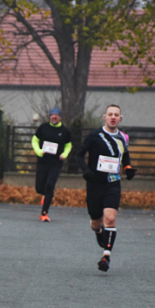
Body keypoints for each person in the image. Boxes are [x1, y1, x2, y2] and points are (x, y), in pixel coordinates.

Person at [74, 104, 136, 272]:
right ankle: (98, 231)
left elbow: (125, 156)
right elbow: (79, 155)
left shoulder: (123, 138)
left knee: (110, 218)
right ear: (105, 117)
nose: (113, 117)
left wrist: (128, 168)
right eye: (110, 114)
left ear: (120, 118)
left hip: (113, 183)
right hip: (94, 184)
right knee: (96, 222)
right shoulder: (95, 135)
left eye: (116, 114)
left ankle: (106, 256)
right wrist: (86, 170)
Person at [31, 107, 72, 221]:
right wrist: (39, 151)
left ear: (60, 117)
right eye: (52, 115)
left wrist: (64, 154)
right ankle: (46, 195)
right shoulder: (43, 128)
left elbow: (69, 145)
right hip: (43, 162)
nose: (54, 117)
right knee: (39, 188)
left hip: (56, 163)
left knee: (49, 185)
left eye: (56, 115)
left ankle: (44, 213)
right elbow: (34, 140)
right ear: (49, 117)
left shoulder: (65, 131)